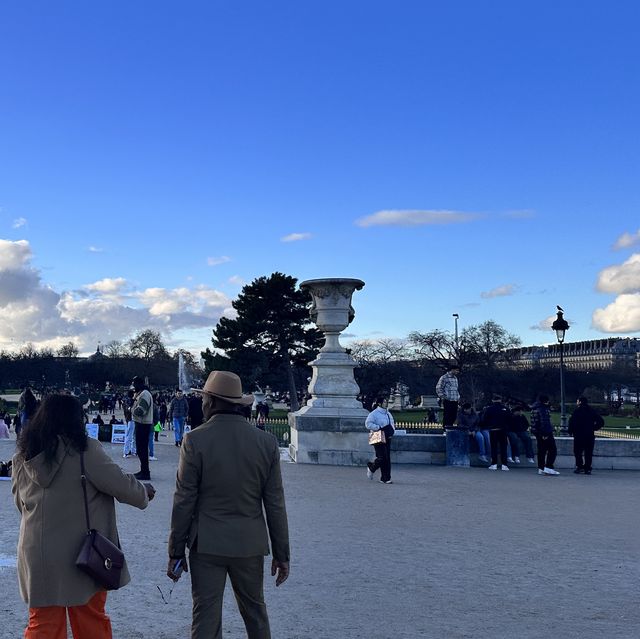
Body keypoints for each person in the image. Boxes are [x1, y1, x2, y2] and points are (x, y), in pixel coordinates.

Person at [11, 393, 155, 639]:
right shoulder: (84, 451)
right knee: (90, 623)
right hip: (83, 554)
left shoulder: (23, 456)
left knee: (43, 624)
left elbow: (19, 503)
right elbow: (122, 486)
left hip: (37, 552)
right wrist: (144, 492)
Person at [167, 370, 290, 639]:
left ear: (210, 401)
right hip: (249, 542)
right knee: (256, 614)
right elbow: (275, 504)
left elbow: (184, 500)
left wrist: (176, 550)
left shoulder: (195, 440)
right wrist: (282, 554)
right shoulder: (266, 443)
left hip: (207, 542)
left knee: (206, 615)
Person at [568, 396, 604, 474]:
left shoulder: (576, 411)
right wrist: (594, 428)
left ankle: (579, 466)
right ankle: (587, 468)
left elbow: (571, 423)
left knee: (578, 452)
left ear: (580, 402)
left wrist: (571, 432)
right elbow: (601, 421)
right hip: (589, 435)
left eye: (577, 401)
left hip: (578, 435)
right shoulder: (592, 411)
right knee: (588, 453)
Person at [365, 396, 396, 484]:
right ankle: (372, 467)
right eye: (385, 402)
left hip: (387, 436)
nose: (386, 403)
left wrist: (392, 431)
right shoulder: (373, 414)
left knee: (387, 458)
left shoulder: (388, 413)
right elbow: (368, 424)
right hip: (378, 436)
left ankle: (385, 478)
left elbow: (392, 423)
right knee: (382, 457)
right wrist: (377, 428)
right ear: (379, 403)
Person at [480, 394, 511, 471]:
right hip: (503, 430)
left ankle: (494, 464)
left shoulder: (489, 409)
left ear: (493, 400)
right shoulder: (505, 409)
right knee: (503, 447)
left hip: (493, 430)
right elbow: (510, 419)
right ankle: (504, 465)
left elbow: (485, 420)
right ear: (501, 400)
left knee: (494, 447)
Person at [531, 394, 559, 476]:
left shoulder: (534, 408)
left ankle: (541, 468)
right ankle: (549, 467)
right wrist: (545, 433)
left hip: (537, 432)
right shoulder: (543, 409)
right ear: (546, 401)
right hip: (545, 432)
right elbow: (544, 422)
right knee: (552, 449)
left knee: (541, 451)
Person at [132, 376, 154, 481]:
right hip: (143, 423)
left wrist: (130, 410)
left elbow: (141, 411)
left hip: (143, 424)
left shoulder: (144, 394)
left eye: (134, 384)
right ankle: (144, 470)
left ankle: (145, 472)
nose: (133, 386)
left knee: (142, 449)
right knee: (141, 449)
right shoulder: (143, 393)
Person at [435, 365, 460, 430]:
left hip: (455, 399)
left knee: (453, 416)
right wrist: (442, 397)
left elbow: (456, 389)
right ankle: (445, 429)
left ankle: (450, 428)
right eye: (456, 370)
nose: (457, 372)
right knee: (447, 415)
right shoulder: (444, 377)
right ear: (452, 370)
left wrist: (458, 397)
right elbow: (439, 388)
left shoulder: (455, 378)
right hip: (448, 399)